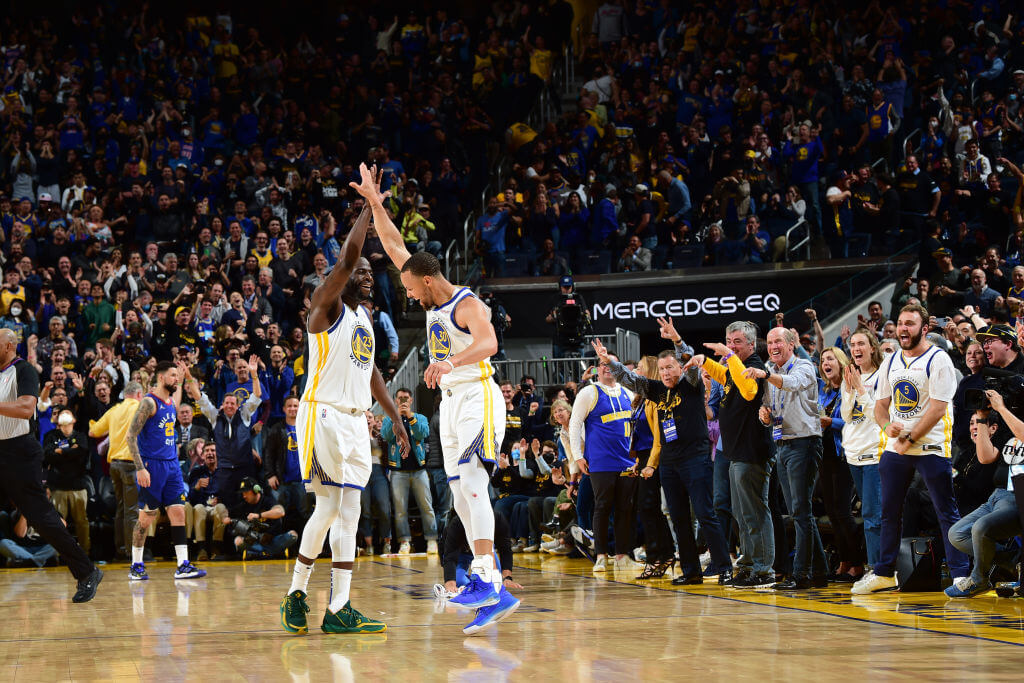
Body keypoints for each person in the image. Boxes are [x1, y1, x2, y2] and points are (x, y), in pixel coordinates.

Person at [351, 162, 519, 635]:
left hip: (477, 394)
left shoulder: (468, 304)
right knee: (461, 499)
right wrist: (377, 204)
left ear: (427, 281)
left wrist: (451, 361)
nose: (406, 295)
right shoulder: (424, 285)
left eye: (408, 288)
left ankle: (486, 577)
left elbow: (488, 344)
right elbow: (392, 244)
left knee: (470, 482)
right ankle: (495, 595)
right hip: (449, 401)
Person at [279, 193, 408, 637]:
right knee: (330, 505)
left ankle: (339, 607)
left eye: (374, 272)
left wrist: (395, 417)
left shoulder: (364, 319)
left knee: (346, 510)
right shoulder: (326, 304)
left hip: (356, 421)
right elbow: (350, 254)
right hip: (323, 415)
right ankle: (297, 592)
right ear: (346, 275)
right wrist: (370, 207)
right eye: (363, 272)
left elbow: (371, 373)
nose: (370, 276)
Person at [597, 318, 732, 585]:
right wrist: (609, 361)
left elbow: (692, 360)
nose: (667, 372)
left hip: (696, 459)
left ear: (679, 368)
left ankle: (723, 565)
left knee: (705, 513)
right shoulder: (657, 390)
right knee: (679, 517)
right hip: (670, 463)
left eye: (671, 367)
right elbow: (631, 379)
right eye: (662, 369)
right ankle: (691, 571)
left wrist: (677, 339)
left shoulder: (691, 384)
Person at [853, 304, 970, 594]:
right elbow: (880, 406)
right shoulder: (891, 361)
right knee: (888, 511)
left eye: (910, 324)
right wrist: (886, 427)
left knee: (946, 511)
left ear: (924, 329)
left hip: (930, 445)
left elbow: (938, 408)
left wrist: (910, 438)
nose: (904, 329)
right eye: (901, 323)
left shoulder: (938, 359)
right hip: (897, 448)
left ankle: (960, 574)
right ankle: (884, 572)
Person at [0, 328, 101, 602]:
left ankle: (87, 571)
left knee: (41, 517)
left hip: (19, 451)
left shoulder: (24, 371)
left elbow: (24, 408)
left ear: (9, 345)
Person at [686, 321, 774, 589]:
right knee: (741, 514)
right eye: (728, 340)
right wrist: (705, 363)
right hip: (736, 453)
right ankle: (748, 566)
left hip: (752, 452)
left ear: (750, 344)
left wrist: (730, 355)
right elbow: (726, 377)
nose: (732, 346)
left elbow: (748, 392)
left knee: (754, 514)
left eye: (737, 342)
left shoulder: (756, 365)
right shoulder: (736, 367)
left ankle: (763, 570)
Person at [744, 327, 826, 589]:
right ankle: (820, 571)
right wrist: (764, 415)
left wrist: (767, 374)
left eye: (778, 340)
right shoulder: (770, 368)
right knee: (798, 512)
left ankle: (801, 574)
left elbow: (792, 384)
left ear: (791, 344)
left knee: (801, 511)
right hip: (783, 443)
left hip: (804, 442)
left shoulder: (803, 365)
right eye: (769, 342)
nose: (772, 346)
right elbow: (767, 405)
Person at [125, 360, 207, 581]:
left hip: (172, 466)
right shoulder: (149, 403)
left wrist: (185, 375)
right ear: (160, 377)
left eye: (176, 376)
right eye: (172, 375)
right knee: (146, 517)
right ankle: (136, 565)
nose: (175, 379)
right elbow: (130, 436)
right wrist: (140, 468)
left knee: (179, 512)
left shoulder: (171, 401)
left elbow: (179, 390)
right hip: (152, 466)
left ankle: (182, 565)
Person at [569, 344, 636, 573]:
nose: (607, 368)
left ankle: (622, 555)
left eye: (612, 364)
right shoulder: (589, 392)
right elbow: (575, 424)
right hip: (600, 461)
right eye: (603, 364)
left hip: (626, 461)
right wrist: (578, 457)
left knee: (624, 509)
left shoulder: (628, 393)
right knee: (602, 507)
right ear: (597, 369)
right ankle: (601, 555)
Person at [945, 405, 1020, 598]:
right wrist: (980, 419)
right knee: (957, 533)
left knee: (980, 527)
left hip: (1017, 496)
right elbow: (985, 458)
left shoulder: (1016, 426)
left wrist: (1001, 407)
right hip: (997, 495)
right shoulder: (1009, 435)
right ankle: (1013, 560)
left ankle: (979, 579)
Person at [840, 329, 884, 571]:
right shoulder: (851, 376)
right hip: (853, 453)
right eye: (853, 344)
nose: (856, 348)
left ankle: (878, 569)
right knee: (868, 515)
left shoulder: (882, 376)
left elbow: (877, 416)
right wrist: (849, 390)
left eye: (861, 344)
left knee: (872, 514)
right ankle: (875, 567)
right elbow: (847, 415)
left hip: (875, 452)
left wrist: (860, 388)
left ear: (872, 347)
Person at [89, 381, 145, 561]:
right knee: (132, 510)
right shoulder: (140, 407)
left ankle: (121, 549)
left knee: (121, 508)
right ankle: (132, 552)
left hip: (114, 465)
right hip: (130, 463)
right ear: (138, 395)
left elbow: (94, 432)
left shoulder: (114, 410)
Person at [383, 387, 438, 554]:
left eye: (406, 398)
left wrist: (410, 417)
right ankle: (405, 541)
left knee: (426, 506)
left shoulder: (419, 417)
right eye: (400, 398)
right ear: (395, 401)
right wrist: (397, 418)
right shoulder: (389, 418)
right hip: (398, 471)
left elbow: (422, 434)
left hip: (419, 470)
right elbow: (387, 436)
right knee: (400, 510)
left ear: (411, 400)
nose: (403, 401)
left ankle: (432, 540)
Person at [43, 408, 91, 555]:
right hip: (58, 487)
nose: (65, 415)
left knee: (82, 523)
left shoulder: (81, 436)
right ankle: (56, 554)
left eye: (68, 413)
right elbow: (48, 455)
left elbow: (82, 454)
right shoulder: (50, 436)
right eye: (62, 413)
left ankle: (85, 554)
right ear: (58, 421)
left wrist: (61, 452)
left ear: (74, 420)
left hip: (78, 487)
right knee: (57, 524)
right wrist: (71, 450)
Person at [222, 477, 297, 559]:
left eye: (246, 492)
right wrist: (226, 517)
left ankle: (257, 554)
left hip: (272, 540)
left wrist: (259, 515)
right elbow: (228, 512)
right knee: (238, 541)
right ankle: (272, 554)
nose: (244, 496)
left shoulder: (268, 501)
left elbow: (280, 512)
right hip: (256, 542)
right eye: (243, 493)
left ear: (255, 490)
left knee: (293, 535)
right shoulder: (243, 505)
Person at [264, 396, 311, 523]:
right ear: (284, 409)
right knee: (279, 515)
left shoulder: (307, 428)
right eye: (289, 406)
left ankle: (305, 542)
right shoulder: (276, 429)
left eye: (295, 406)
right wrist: (270, 475)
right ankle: (281, 541)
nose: (292, 409)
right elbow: (268, 454)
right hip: (281, 481)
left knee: (305, 514)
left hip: (302, 481)